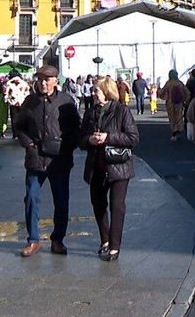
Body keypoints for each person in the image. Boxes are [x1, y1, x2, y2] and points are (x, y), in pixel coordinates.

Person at [14, 65, 80, 257]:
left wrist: (66, 146)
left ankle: (58, 239)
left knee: (61, 200)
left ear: (55, 81)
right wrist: (28, 143)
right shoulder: (30, 101)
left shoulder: (65, 101)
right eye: (40, 79)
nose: (43, 83)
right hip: (36, 158)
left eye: (47, 79)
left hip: (59, 159)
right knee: (31, 198)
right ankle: (33, 240)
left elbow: (76, 129)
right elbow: (19, 126)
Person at [79, 76, 139, 262]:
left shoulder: (121, 111)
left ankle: (114, 246)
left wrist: (108, 137)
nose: (92, 92)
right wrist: (89, 140)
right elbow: (81, 139)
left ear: (106, 91)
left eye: (96, 90)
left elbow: (133, 138)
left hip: (118, 167)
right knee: (98, 205)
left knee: (117, 206)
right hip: (96, 166)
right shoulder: (90, 113)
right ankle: (104, 239)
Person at [158, 70, 190, 141]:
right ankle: (179, 130)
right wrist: (185, 100)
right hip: (179, 103)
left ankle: (174, 132)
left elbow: (162, 92)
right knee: (179, 116)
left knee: (172, 117)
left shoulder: (168, 83)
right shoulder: (180, 83)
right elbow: (187, 92)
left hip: (170, 103)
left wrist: (159, 91)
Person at [5, 70, 31, 140]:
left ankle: (15, 134)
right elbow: (27, 93)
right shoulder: (24, 83)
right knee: (23, 118)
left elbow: (6, 94)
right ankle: (22, 133)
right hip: (23, 103)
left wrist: (8, 101)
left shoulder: (9, 83)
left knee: (14, 119)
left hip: (13, 103)